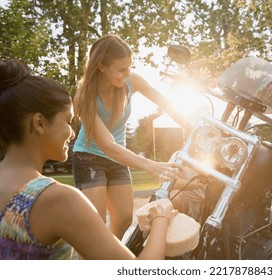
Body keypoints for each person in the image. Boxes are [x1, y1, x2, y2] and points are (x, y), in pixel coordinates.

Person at [0, 59, 176, 260]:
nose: (73, 134)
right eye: (68, 121)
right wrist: (161, 219)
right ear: (39, 123)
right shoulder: (58, 200)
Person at [72, 34, 188, 240]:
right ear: (101, 66)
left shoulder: (130, 81)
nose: (127, 74)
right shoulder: (84, 98)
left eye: (129, 67)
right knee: (95, 225)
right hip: (89, 158)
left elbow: (166, 103)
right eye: (121, 69)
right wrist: (153, 166)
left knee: (124, 219)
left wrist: (192, 127)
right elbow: (107, 145)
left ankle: (106, 255)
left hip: (118, 158)